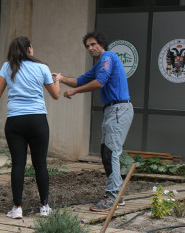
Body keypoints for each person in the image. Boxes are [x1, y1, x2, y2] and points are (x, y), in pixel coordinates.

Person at [0, 37, 60, 218]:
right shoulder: (43, 68)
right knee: (40, 164)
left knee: (18, 164)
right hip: (38, 120)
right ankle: (44, 206)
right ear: (29, 49)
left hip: (15, 121)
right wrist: (58, 80)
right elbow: (56, 95)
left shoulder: (7, 67)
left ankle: (17, 208)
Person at [52, 31, 133, 212]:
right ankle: (117, 195)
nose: (90, 48)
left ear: (101, 44)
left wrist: (75, 91)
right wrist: (61, 78)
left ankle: (112, 196)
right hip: (112, 110)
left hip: (119, 109)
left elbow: (99, 83)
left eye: (93, 44)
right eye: (87, 46)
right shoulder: (99, 65)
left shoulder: (108, 57)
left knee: (111, 152)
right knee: (106, 153)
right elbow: (79, 80)